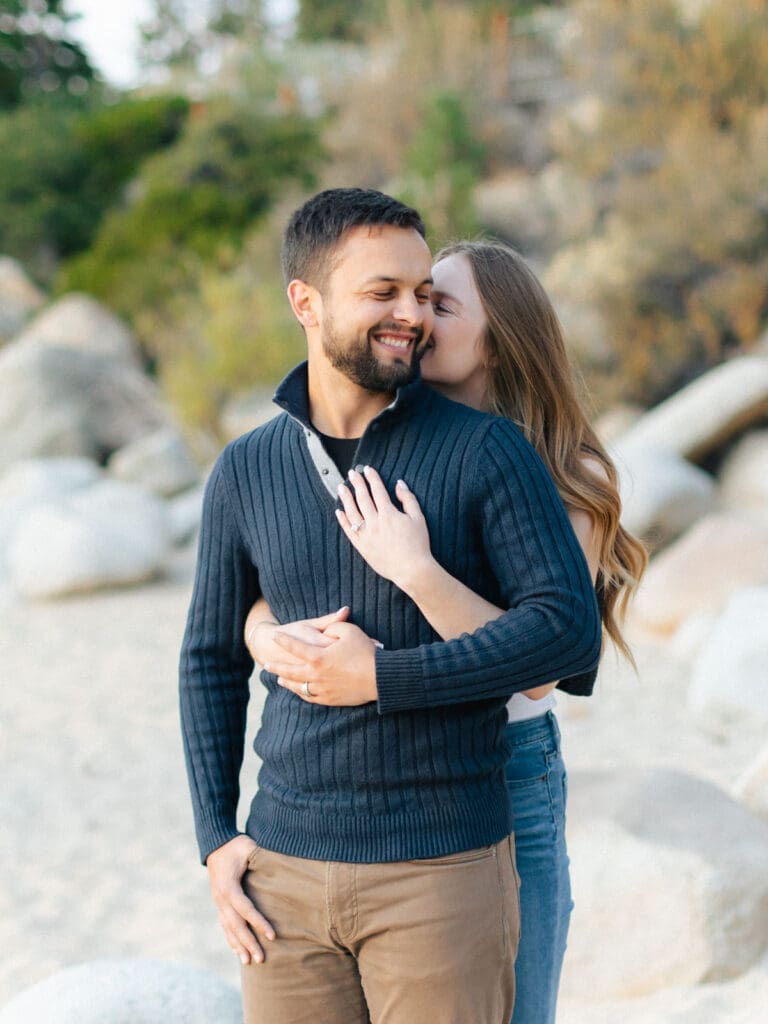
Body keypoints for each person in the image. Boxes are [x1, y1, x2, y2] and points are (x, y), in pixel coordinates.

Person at [179, 189, 601, 1024]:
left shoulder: (509, 455)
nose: (413, 316)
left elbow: (559, 648)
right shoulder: (249, 466)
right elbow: (208, 656)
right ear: (305, 301)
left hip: (468, 817)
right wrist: (215, 836)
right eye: (391, 292)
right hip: (288, 859)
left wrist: (387, 656)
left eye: (431, 299)